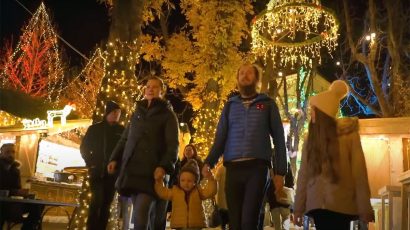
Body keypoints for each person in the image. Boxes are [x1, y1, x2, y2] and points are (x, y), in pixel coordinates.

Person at [202, 63, 288, 229]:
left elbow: (278, 138)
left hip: (257, 168)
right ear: (237, 79)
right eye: (241, 73)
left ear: (257, 79)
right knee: (234, 221)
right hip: (233, 168)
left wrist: (280, 172)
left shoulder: (268, 104)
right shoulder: (230, 106)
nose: (245, 75)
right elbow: (220, 138)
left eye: (249, 73)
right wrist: (208, 163)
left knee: (249, 220)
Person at [294, 80, 374, 229]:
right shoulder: (310, 139)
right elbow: (303, 174)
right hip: (317, 205)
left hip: (341, 204)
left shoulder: (348, 135)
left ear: (323, 112)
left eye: (314, 109)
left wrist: (364, 207)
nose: (311, 113)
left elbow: (359, 172)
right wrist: (298, 208)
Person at [107, 76, 179, 230]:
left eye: (154, 87)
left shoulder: (168, 115)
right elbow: (125, 139)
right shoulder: (137, 113)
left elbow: (173, 145)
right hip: (132, 171)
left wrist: (163, 166)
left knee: (141, 216)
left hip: (151, 173)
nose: (150, 89)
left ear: (162, 91)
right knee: (140, 216)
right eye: (148, 86)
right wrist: (114, 158)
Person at [80, 100, 125, 230]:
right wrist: (91, 163)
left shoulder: (121, 131)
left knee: (106, 205)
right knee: (96, 202)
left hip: (112, 175)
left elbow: (124, 152)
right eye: (114, 112)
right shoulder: (95, 129)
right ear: (108, 113)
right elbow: (84, 147)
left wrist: (118, 165)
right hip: (96, 172)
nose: (117, 115)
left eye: (119, 113)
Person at [155, 159, 216, 229]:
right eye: (182, 180)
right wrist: (159, 181)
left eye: (189, 181)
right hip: (179, 224)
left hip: (195, 225)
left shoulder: (198, 191)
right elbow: (163, 193)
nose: (186, 183)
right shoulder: (175, 191)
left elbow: (210, 191)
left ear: (195, 182)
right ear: (179, 180)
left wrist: (211, 179)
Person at [0, 143, 43, 230]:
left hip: (12, 205)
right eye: (7, 152)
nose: (10, 155)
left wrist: (23, 193)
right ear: (1, 153)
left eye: (13, 152)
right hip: (2, 205)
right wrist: (14, 192)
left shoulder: (15, 170)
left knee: (38, 205)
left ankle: (27, 228)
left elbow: (17, 188)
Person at [268, 162, 294, 230]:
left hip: (273, 200)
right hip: (285, 200)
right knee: (286, 225)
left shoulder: (270, 166)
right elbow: (291, 182)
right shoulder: (287, 165)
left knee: (277, 226)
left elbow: (268, 185)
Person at [214, 161, 229, 230]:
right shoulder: (236, 168)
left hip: (222, 196)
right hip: (229, 197)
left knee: (223, 219)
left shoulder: (221, 167)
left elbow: (215, 180)